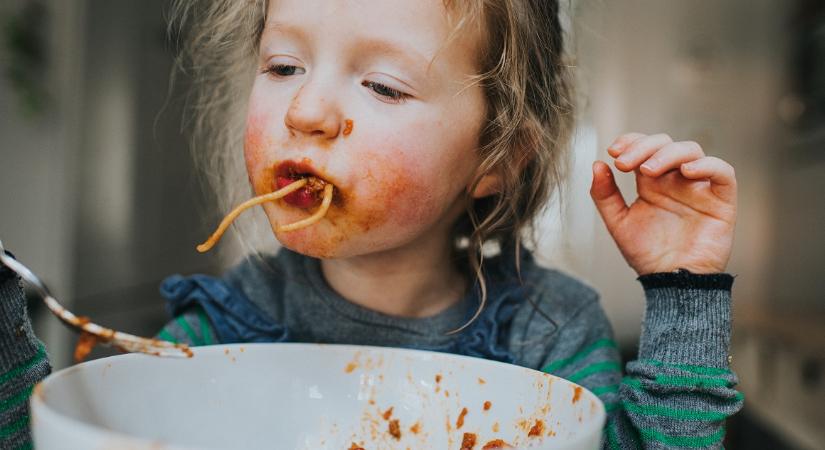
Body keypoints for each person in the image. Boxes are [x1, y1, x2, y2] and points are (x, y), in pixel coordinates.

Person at [0, 0, 743, 448]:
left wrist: (682, 291)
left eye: (382, 85)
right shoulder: (230, 323)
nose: (306, 112)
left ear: (494, 157)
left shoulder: (547, 334)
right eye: (284, 67)